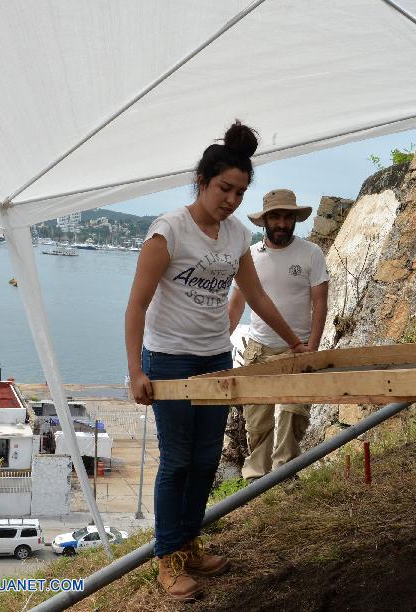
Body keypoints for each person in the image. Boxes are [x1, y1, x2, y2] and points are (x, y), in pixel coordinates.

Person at [124, 121, 309, 601]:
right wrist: (135, 371)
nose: (231, 199)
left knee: (206, 460)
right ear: (202, 181)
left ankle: (189, 545)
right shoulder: (168, 232)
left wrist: (294, 342)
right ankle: (167, 560)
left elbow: (256, 297)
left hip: (215, 357)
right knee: (177, 462)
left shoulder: (235, 237)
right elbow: (137, 305)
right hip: (168, 358)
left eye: (240, 192)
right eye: (224, 188)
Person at [227, 189, 329, 481]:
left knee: (292, 413)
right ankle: (256, 480)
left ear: (295, 219)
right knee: (256, 421)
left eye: (287, 217)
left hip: (298, 351)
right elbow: (236, 305)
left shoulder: (310, 253)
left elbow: (320, 302)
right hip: (259, 349)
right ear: (265, 221)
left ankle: (286, 476)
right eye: (276, 217)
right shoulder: (251, 259)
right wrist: (219, 343)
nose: (282, 223)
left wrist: (312, 347)